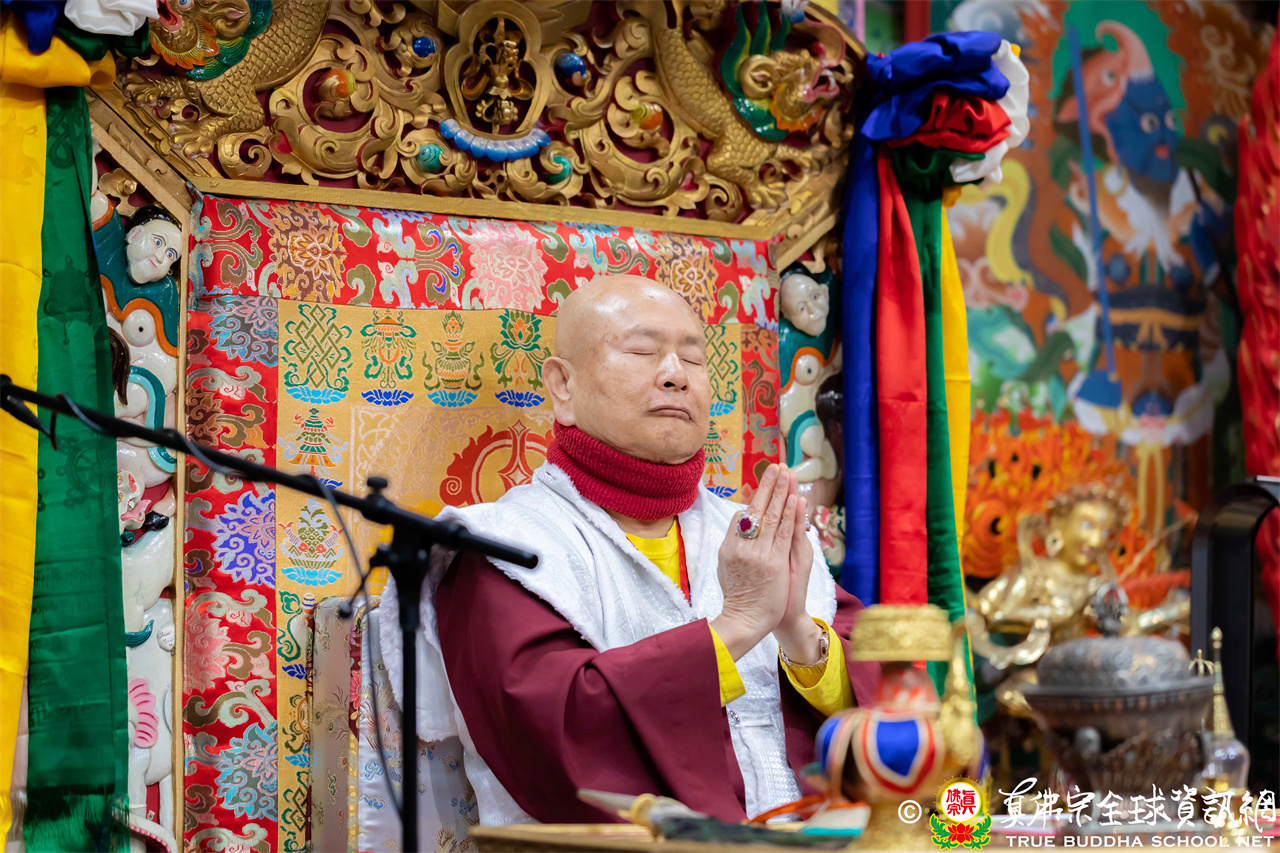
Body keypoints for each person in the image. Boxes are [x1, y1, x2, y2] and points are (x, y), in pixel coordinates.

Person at [380, 275, 878, 826]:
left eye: (694, 359)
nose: (675, 375)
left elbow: (891, 707)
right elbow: (557, 737)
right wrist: (737, 624)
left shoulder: (757, 534)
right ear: (563, 386)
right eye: (643, 352)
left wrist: (799, 634)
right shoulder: (502, 547)